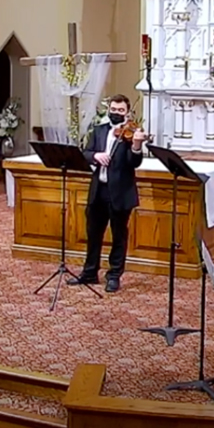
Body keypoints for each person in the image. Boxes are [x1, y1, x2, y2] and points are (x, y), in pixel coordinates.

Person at [68, 95, 147, 293]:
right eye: (113, 108)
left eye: (121, 110)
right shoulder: (99, 130)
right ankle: (89, 273)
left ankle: (113, 276)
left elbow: (133, 162)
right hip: (98, 190)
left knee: (119, 236)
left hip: (120, 192)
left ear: (127, 113)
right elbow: (85, 153)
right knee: (93, 233)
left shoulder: (131, 134)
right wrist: (95, 155)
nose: (116, 112)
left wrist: (137, 146)